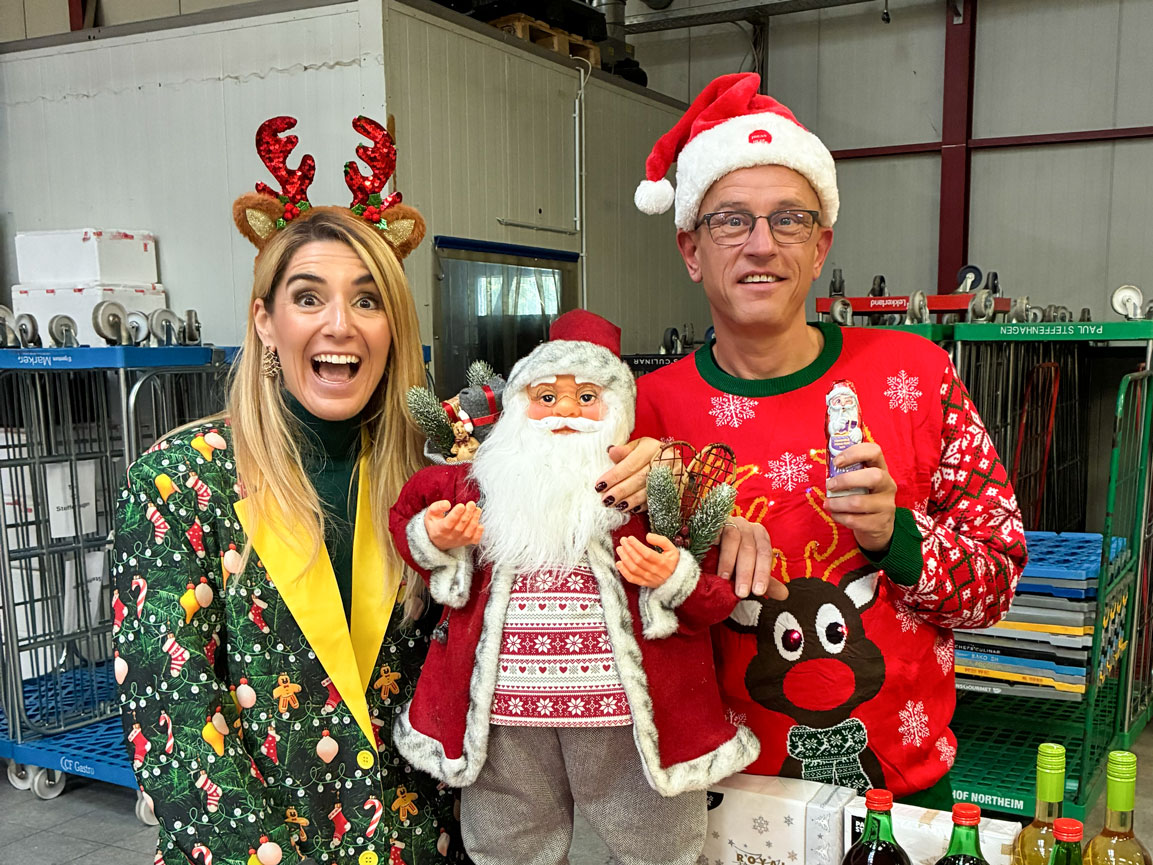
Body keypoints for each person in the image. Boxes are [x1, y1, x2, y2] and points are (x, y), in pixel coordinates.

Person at [604, 72, 1027, 803]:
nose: (760, 244)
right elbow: (602, 614)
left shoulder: (916, 375)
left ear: (821, 242)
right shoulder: (649, 409)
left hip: (895, 794)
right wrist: (681, 522)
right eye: (730, 220)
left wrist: (896, 536)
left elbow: (995, 586)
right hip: (708, 795)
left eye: (787, 219)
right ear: (690, 250)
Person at [112, 115, 466, 864]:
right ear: (265, 322)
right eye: (308, 297)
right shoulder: (180, 482)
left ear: (394, 328)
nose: (340, 324)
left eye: (368, 301)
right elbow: (176, 734)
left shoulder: (436, 479)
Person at [387, 310, 759, 865]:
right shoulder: (481, 484)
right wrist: (435, 535)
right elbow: (410, 514)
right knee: (510, 843)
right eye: (546, 396)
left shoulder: (650, 492)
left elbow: (717, 594)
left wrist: (672, 576)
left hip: (629, 722)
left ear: (618, 411)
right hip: (503, 723)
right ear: (517, 407)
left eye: (587, 398)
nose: (564, 411)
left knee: (655, 842)